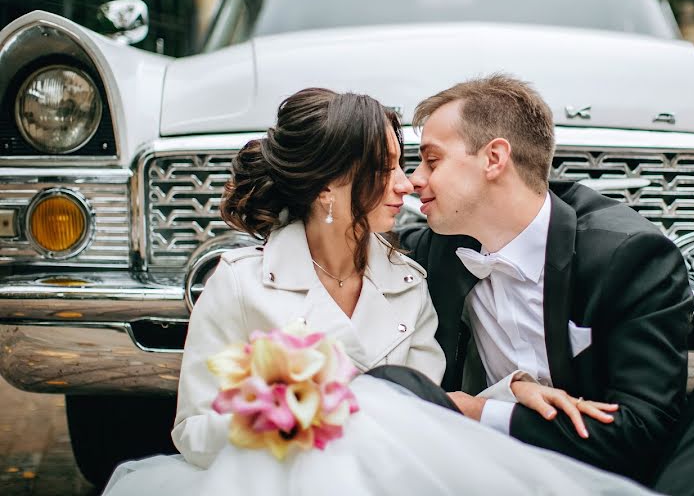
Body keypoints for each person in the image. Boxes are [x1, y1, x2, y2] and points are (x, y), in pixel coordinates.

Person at [102, 88, 656, 496]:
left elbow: (424, 414)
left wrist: (511, 392)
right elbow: (192, 432)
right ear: (328, 184)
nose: (406, 183)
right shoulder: (242, 283)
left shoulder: (409, 282)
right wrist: (277, 417)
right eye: (385, 167)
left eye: (407, 164)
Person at [379, 74, 694, 495]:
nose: (413, 180)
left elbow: (642, 430)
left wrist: (479, 411)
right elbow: (342, 238)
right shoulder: (436, 249)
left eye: (432, 160)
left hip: (612, 465)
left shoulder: (629, 255)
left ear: (494, 158)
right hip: (491, 470)